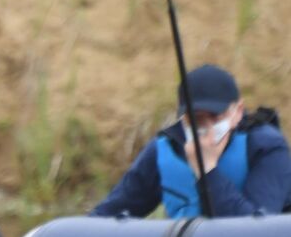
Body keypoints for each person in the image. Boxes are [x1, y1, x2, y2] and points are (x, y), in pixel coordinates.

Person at [91, 64, 291, 218]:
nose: (205, 127)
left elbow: (255, 232)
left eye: (215, 117)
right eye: (195, 119)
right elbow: (108, 215)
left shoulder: (267, 147)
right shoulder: (165, 149)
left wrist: (207, 170)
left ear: (237, 112)